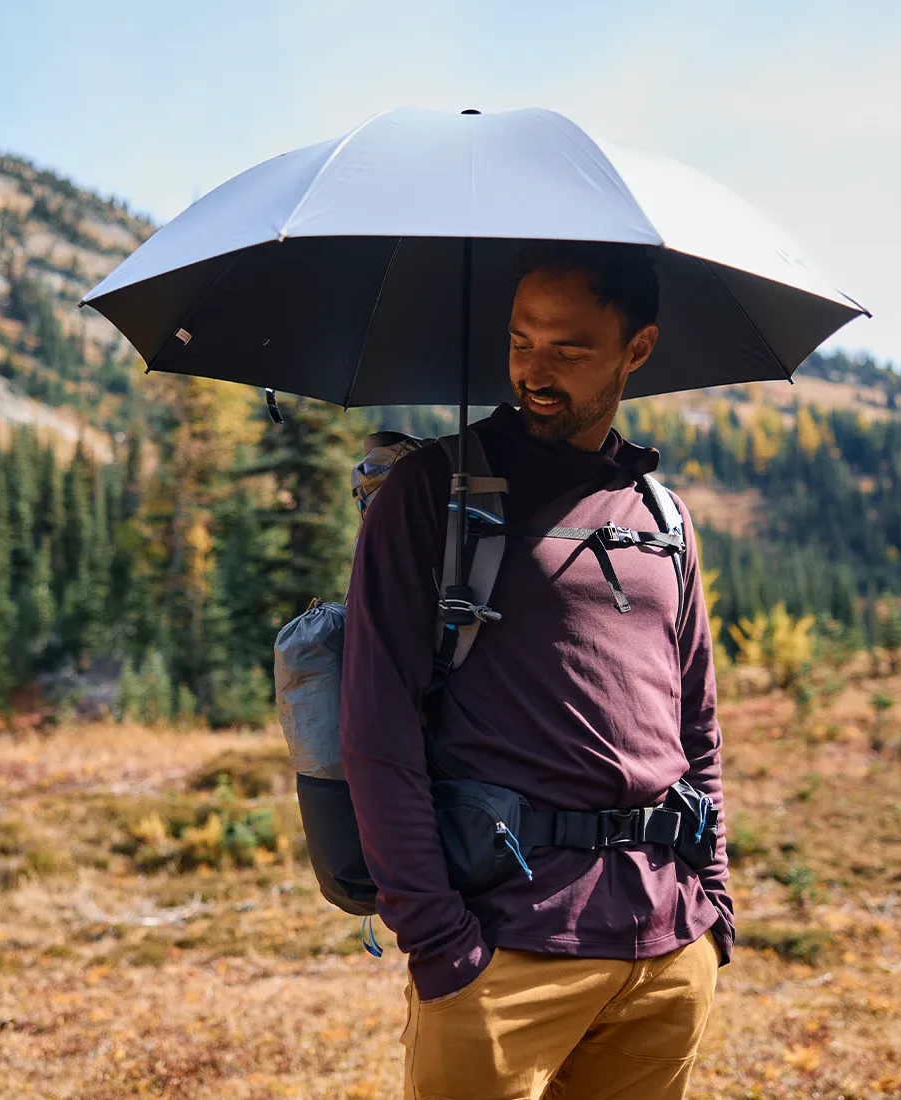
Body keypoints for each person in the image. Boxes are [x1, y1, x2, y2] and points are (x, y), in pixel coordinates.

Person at [340, 241, 734, 1100]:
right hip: (505, 951)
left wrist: (714, 907)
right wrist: (440, 943)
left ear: (638, 348)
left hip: (666, 950)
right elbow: (376, 729)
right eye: (521, 341)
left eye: (569, 347)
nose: (535, 370)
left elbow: (695, 727)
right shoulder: (432, 496)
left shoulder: (662, 517)